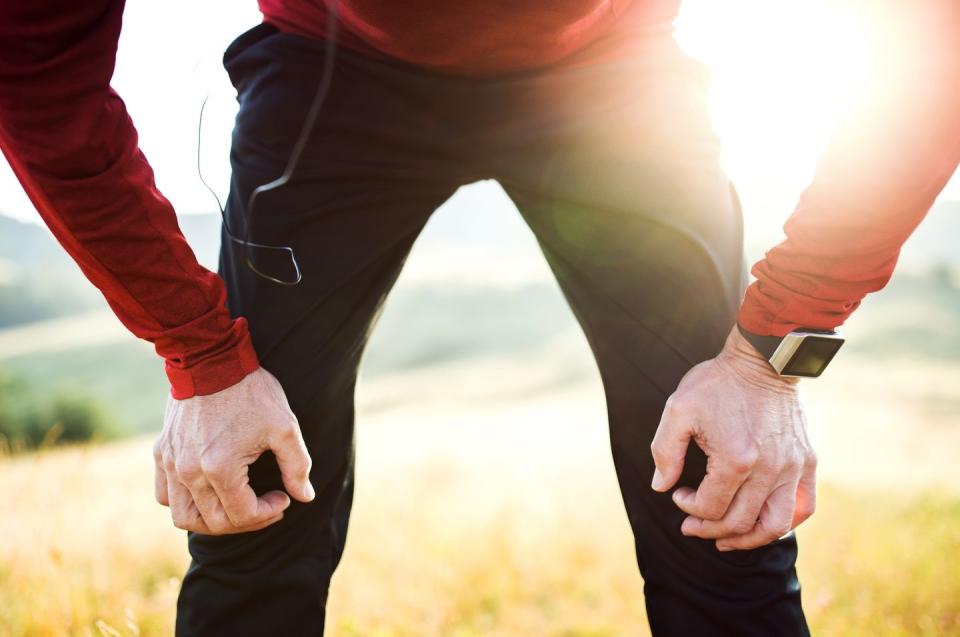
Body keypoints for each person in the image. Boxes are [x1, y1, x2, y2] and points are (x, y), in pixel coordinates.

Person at [0, 0, 957, 635]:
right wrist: (204, 356)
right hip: (336, 70)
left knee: (724, 497)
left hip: (611, 76)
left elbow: (930, 56)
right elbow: (33, 65)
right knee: (252, 503)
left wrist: (772, 356)